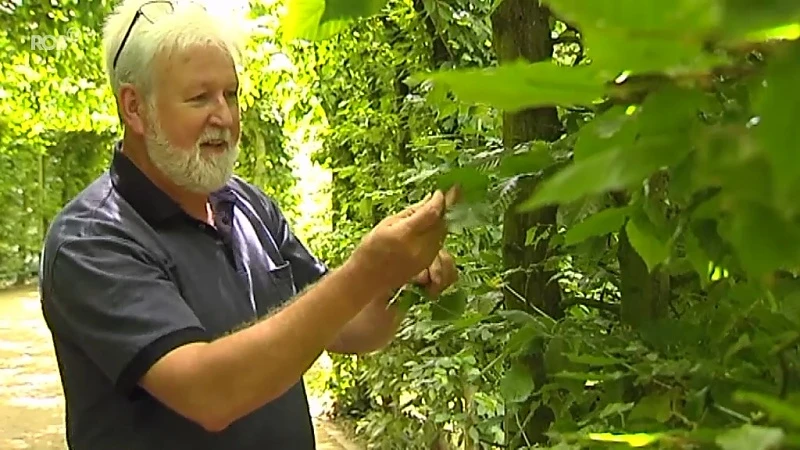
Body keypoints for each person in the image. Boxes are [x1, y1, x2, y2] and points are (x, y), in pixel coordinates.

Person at [37, 0, 459, 449]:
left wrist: (399, 282)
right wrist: (366, 271)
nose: (225, 117)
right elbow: (210, 394)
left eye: (231, 95)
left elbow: (347, 327)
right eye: (200, 97)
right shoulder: (93, 238)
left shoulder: (248, 206)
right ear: (135, 108)